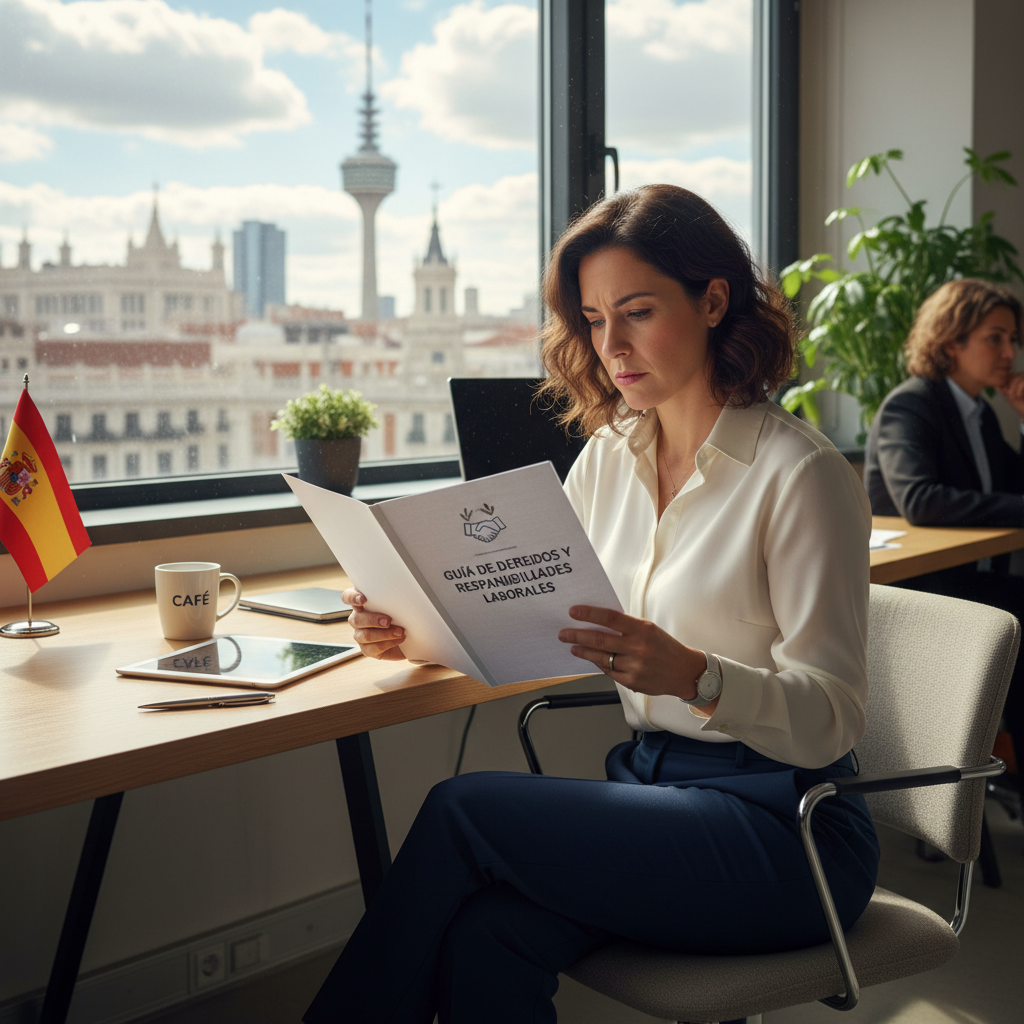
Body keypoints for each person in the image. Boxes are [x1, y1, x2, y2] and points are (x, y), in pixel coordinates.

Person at [304, 185, 879, 1024]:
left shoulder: (801, 476)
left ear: (713, 301)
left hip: (788, 827)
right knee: (488, 935)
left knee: (461, 808)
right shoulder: (607, 458)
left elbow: (834, 718)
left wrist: (694, 674)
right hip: (654, 796)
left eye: (638, 312)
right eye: (593, 318)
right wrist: (414, 630)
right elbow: (536, 614)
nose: (612, 345)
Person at [863, 277, 1024, 771]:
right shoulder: (913, 403)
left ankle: (1007, 756)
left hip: (960, 579)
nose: (1009, 352)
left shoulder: (981, 413)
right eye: (994, 337)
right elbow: (921, 501)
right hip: (916, 589)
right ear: (951, 341)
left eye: (1013, 340)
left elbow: (1013, 488)